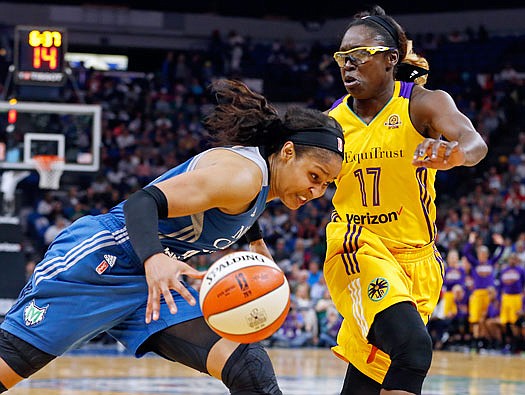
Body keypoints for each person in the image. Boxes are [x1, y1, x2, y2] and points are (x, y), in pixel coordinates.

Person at [0, 79, 345, 394]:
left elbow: (239, 211)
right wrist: (154, 258)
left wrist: (256, 242)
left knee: (247, 367)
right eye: (314, 176)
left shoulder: (263, 181)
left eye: (326, 184)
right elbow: (142, 202)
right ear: (287, 152)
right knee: (10, 362)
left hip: (156, 285)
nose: (316, 191)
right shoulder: (243, 177)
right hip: (105, 259)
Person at [322, 5, 488, 395]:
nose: (348, 65)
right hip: (357, 246)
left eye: (358, 55)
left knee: (372, 377)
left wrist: (458, 155)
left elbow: (475, 142)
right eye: (342, 57)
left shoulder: (422, 104)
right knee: (412, 350)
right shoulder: (330, 123)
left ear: (390, 59)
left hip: (418, 260)